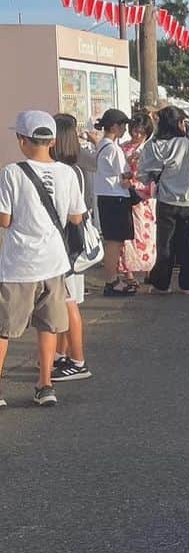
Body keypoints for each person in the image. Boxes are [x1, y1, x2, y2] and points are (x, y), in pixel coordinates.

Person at [0, 111, 87, 407]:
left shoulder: (11, 173)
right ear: (52, 140)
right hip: (55, 261)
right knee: (48, 325)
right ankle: (45, 384)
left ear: (22, 140)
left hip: (19, 263)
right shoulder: (68, 173)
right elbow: (76, 216)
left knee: (4, 327)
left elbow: (5, 219)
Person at [137, 106, 189, 295]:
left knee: (165, 244)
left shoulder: (151, 146)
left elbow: (144, 176)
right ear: (178, 123)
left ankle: (161, 283)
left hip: (165, 200)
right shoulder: (188, 145)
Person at [49, 114, 93, 382]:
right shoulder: (75, 169)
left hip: (65, 246)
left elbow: (75, 214)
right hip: (70, 245)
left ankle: (77, 360)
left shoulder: (67, 172)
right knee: (65, 303)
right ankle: (62, 355)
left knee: (67, 304)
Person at [94, 108, 136, 297]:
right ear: (113, 126)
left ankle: (113, 279)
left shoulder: (102, 145)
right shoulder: (113, 149)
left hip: (106, 195)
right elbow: (124, 177)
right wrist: (134, 176)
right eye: (122, 125)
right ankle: (112, 280)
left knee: (112, 240)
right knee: (114, 241)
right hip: (116, 196)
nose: (124, 129)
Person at [119, 111, 158, 280]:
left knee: (147, 233)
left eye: (142, 132)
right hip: (128, 193)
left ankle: (150, 268)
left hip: (144, 197)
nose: (137, 135)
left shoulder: (150, 149)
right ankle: (129, 272)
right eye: (135, 130)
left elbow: (153, 174)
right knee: (128, 235)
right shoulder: (123, 148)